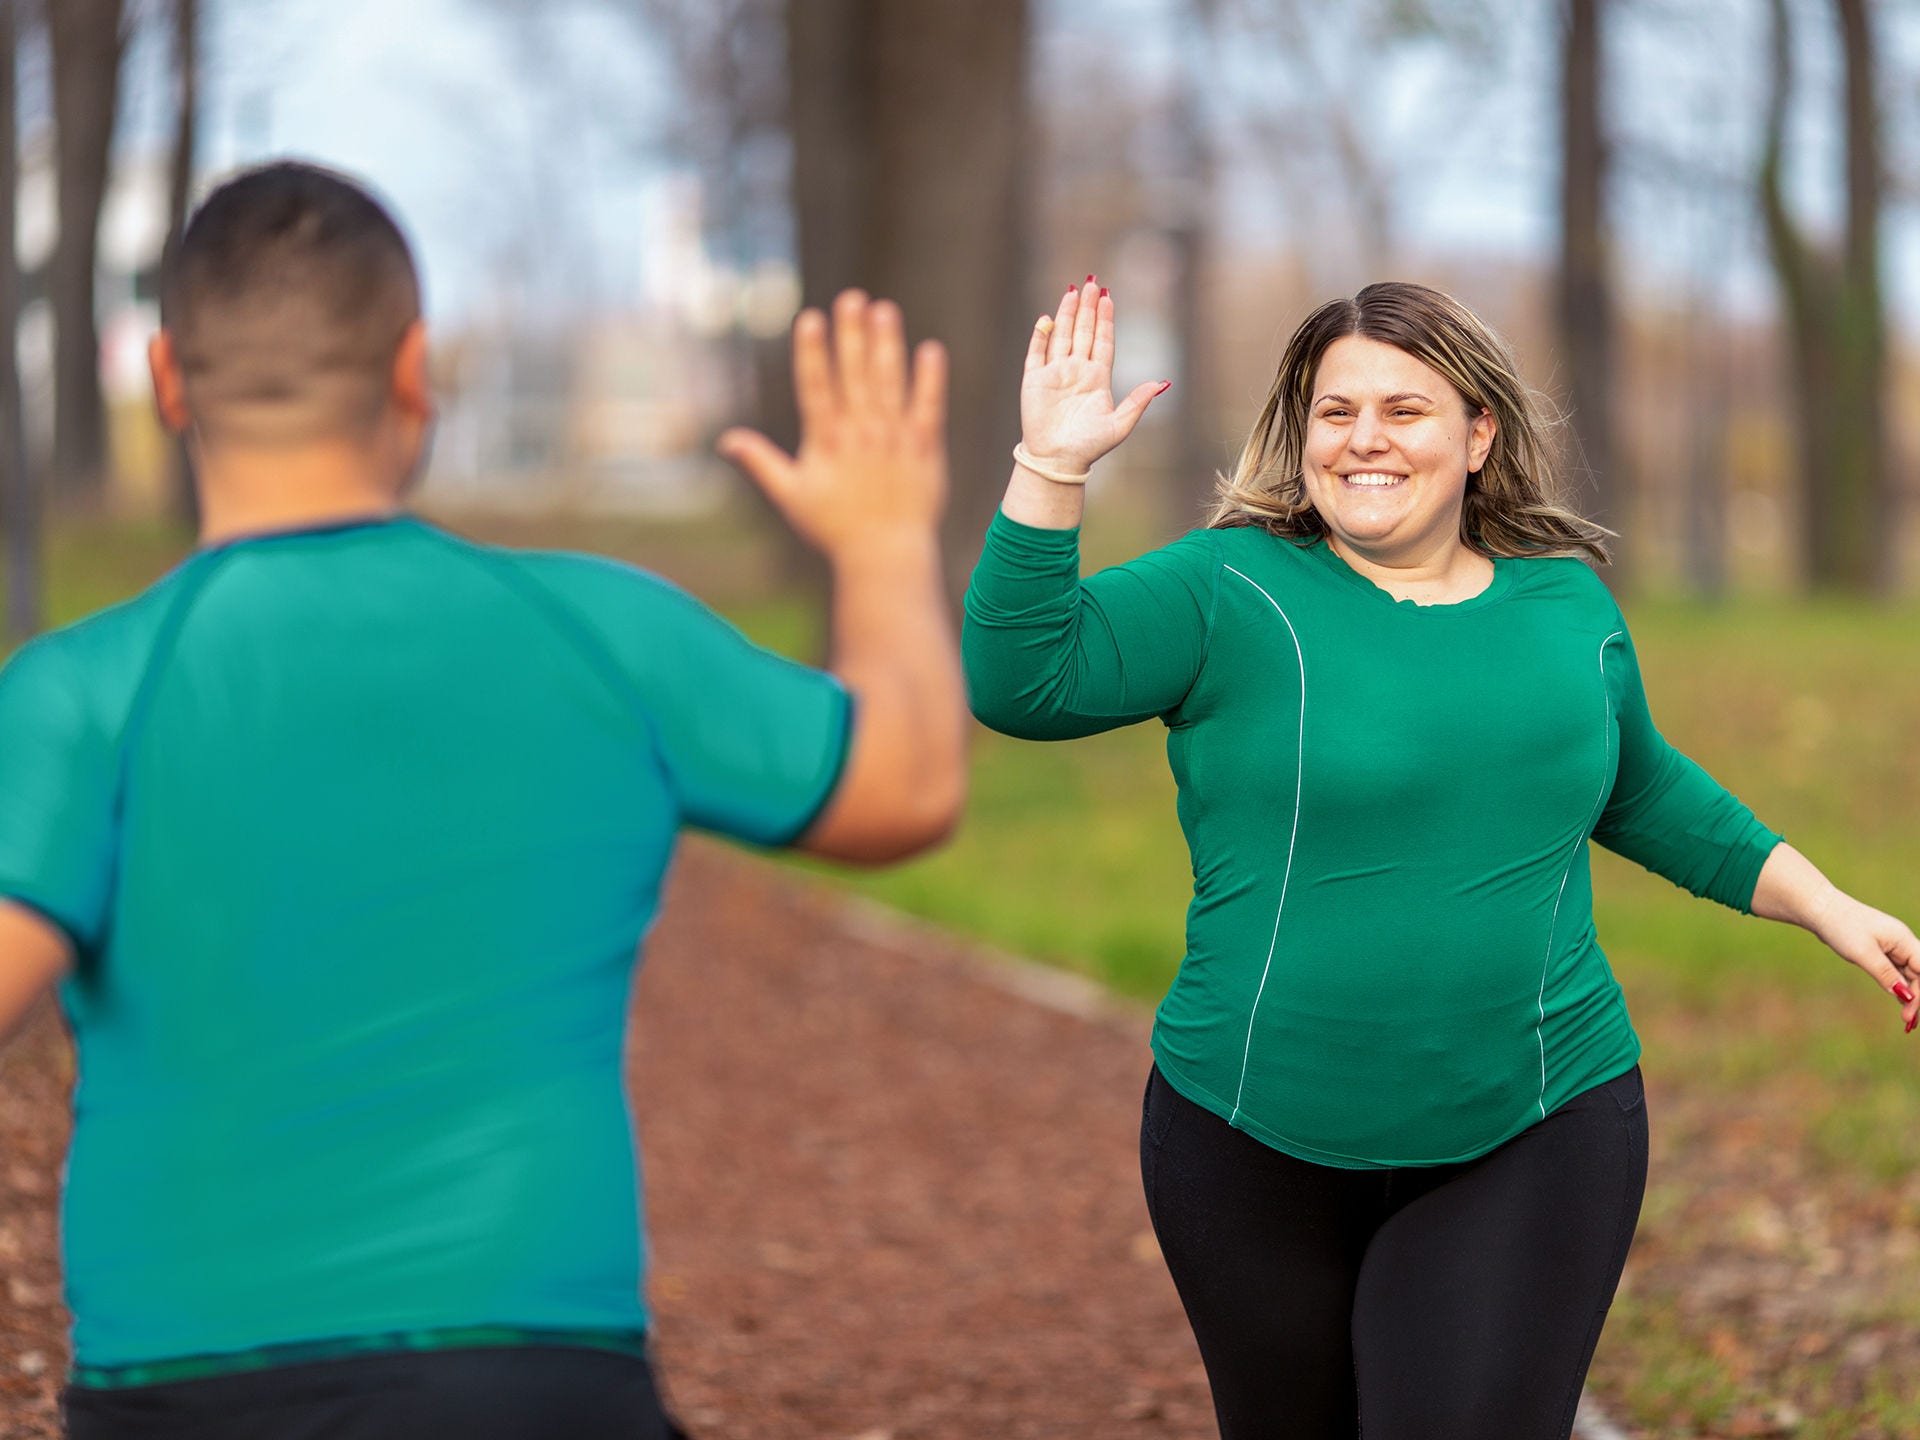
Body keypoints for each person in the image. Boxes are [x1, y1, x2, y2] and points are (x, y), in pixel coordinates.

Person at [0, 160, 966, 1440]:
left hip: (175, 1391)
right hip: (531, 1380)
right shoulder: (603, 633)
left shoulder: (82, 692)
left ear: (169, 379)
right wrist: (884, 542)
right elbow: (907, 784)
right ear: (415, 369)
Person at [961, 277, 1919, 1440]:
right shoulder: (1227, 588)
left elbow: (1638, 786)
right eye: (1335, 411)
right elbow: (1023, 683)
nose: (1363, 438)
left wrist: (1825, 904)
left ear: (1478, 435)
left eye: (1404, 410)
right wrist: (1051, 467)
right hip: (1250, 1135)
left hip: (1536, 1121)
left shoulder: (1565, 606)